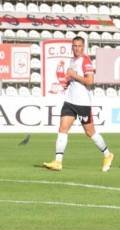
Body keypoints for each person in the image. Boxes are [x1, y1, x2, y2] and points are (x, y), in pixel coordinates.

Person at [43, 37, 114, 172]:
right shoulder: (71, 61)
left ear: (83, 46)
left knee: (90, 132)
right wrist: (67, 82)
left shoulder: (85, 61)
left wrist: (74, 76)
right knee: (63, 128)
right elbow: (72, 79)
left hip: (82, 103)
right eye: (74, 46)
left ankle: (108, 154)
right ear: (72, 47)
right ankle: (58, 161)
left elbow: (90, 81)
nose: (77, 48)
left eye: (79, 46)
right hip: (70, 101)